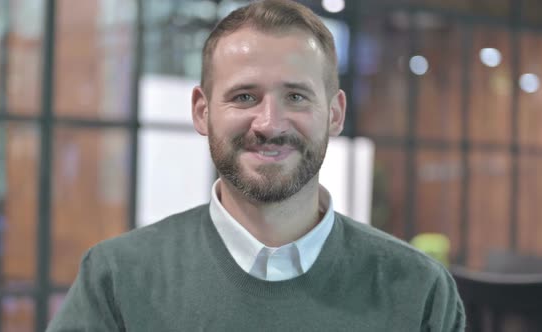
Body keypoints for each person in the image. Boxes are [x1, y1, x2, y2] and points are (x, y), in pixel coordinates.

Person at [47, 0, 465, 331]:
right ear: (201, 111)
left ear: (335, 114)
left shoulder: (420, 291)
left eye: (297, 97)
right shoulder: (117, 278)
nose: (270, 124)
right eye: (245, 96)